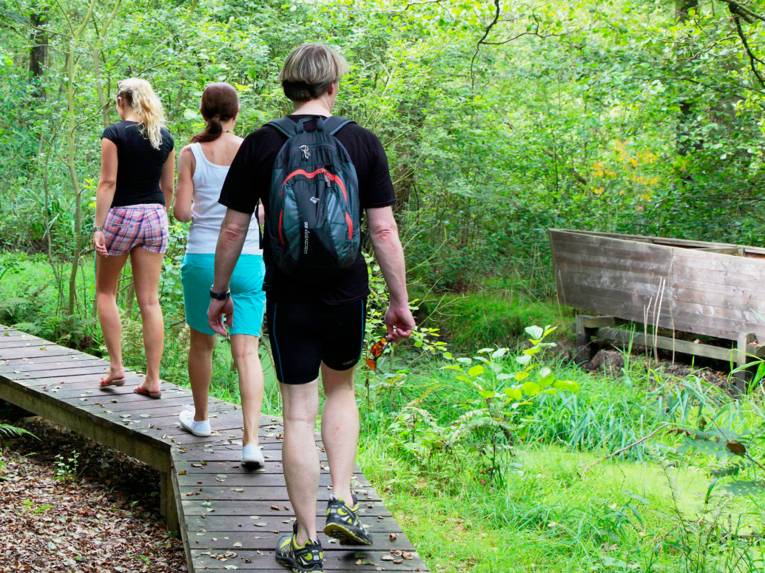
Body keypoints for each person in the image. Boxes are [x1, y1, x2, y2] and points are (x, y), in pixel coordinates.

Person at [208, 43, 415, 573]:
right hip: (346, 289)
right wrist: (399, 301)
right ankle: (342, 498)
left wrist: (219, 292)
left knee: (297, 411)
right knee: (340, 387)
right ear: (332, 85)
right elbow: (383, 229)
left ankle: (305, 538)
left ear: (288, 86)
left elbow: (233, 227)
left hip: (289, 289)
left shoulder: (260, 143)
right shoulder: (362, 141)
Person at [174, 83, 266, 468]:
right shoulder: (253, 149)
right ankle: (251, 443)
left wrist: (202, 209)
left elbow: (181, 211)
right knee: (247, 351)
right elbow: (261, 212)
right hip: (246, 258)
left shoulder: (190, 153)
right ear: (236, 113)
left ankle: (201, 420)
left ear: (202, 111)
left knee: (202, 343)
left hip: (202, 259)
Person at [94, 78, 174, 399]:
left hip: (122, 215)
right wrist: (158, 215)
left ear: (122, 101)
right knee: (150, 301)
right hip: (155, 216)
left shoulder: (114, 134)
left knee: (105, 292)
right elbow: (167, 188)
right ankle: (153, 379)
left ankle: (116, 367)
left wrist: (99, 226)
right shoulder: (164, 137)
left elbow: (107, 182)